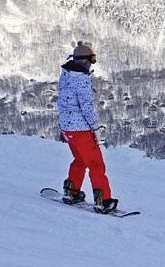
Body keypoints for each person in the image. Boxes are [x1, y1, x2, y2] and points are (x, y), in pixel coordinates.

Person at [57, 41, 119, 213]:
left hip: (68, 128)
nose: (92, 63)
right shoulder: (81, 79)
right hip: (81, 129)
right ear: (85, 61)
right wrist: (96, 128)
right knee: (96, 165)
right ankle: (103, 201)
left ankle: (71, 192)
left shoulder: (66, 75)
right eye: (92, 60)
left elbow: (63, 103)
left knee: (80, 160)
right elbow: (87, 108)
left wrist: (63, 127)